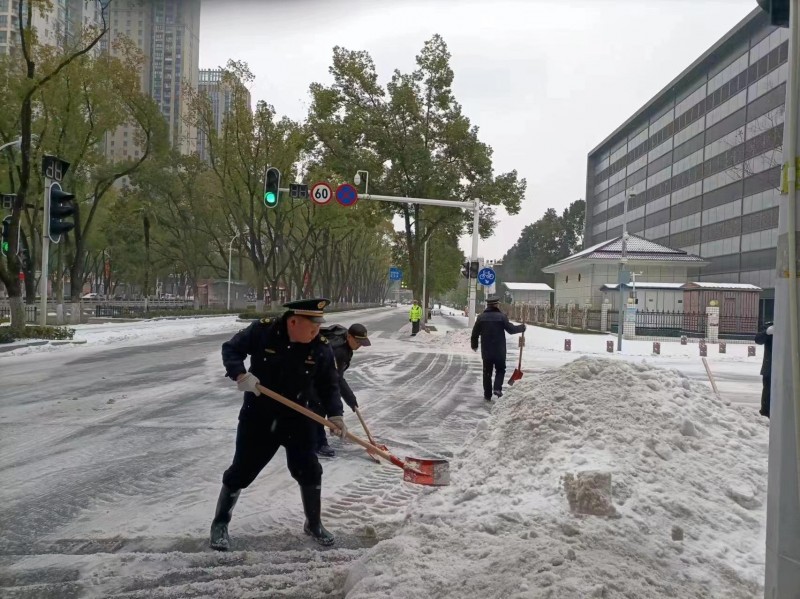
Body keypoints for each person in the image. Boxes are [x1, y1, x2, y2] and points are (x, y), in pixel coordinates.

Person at [210, 298, 347, 551]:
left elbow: (330, 384)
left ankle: (313, 523)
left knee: (309, 470)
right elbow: (230, 349)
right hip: (259, 417)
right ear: (293, 321)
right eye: (312, 326)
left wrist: (335, 415)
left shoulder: (321, 346)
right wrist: (240, 374)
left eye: (319, 327)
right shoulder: (263, 331)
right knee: (242, 470)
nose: (316, 331)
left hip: (300, 418)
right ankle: (220, 523)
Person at [312, 323, 372, 457]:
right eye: (357, 342)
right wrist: (346, 400)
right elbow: (335, 380)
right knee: (319, 406)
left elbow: (338, 377)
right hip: (313, 373)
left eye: (361, 343)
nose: (359, 345)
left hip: (321, 372)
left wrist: (350, 399)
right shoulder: (339, 351)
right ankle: (319, 443)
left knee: (322, 403)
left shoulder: (345, 341)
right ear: (349, 336)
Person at [470, 295, 526, 401]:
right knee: (500, 369)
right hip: (499, 350)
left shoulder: (481, 317)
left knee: (487, 372)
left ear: (488, 305)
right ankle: (497, 388)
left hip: (486, 350)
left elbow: (475, 333)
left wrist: (474, 345)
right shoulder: (501, 317)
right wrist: (521, 328)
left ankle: (487, 394)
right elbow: (511, 329)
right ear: (496, 305)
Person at [755, 321, 773, 418]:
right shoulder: (769, 327)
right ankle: (765, 414)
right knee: (768, 392)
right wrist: (766, 332)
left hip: (787, 368)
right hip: (770, 368)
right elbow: (758, 340)